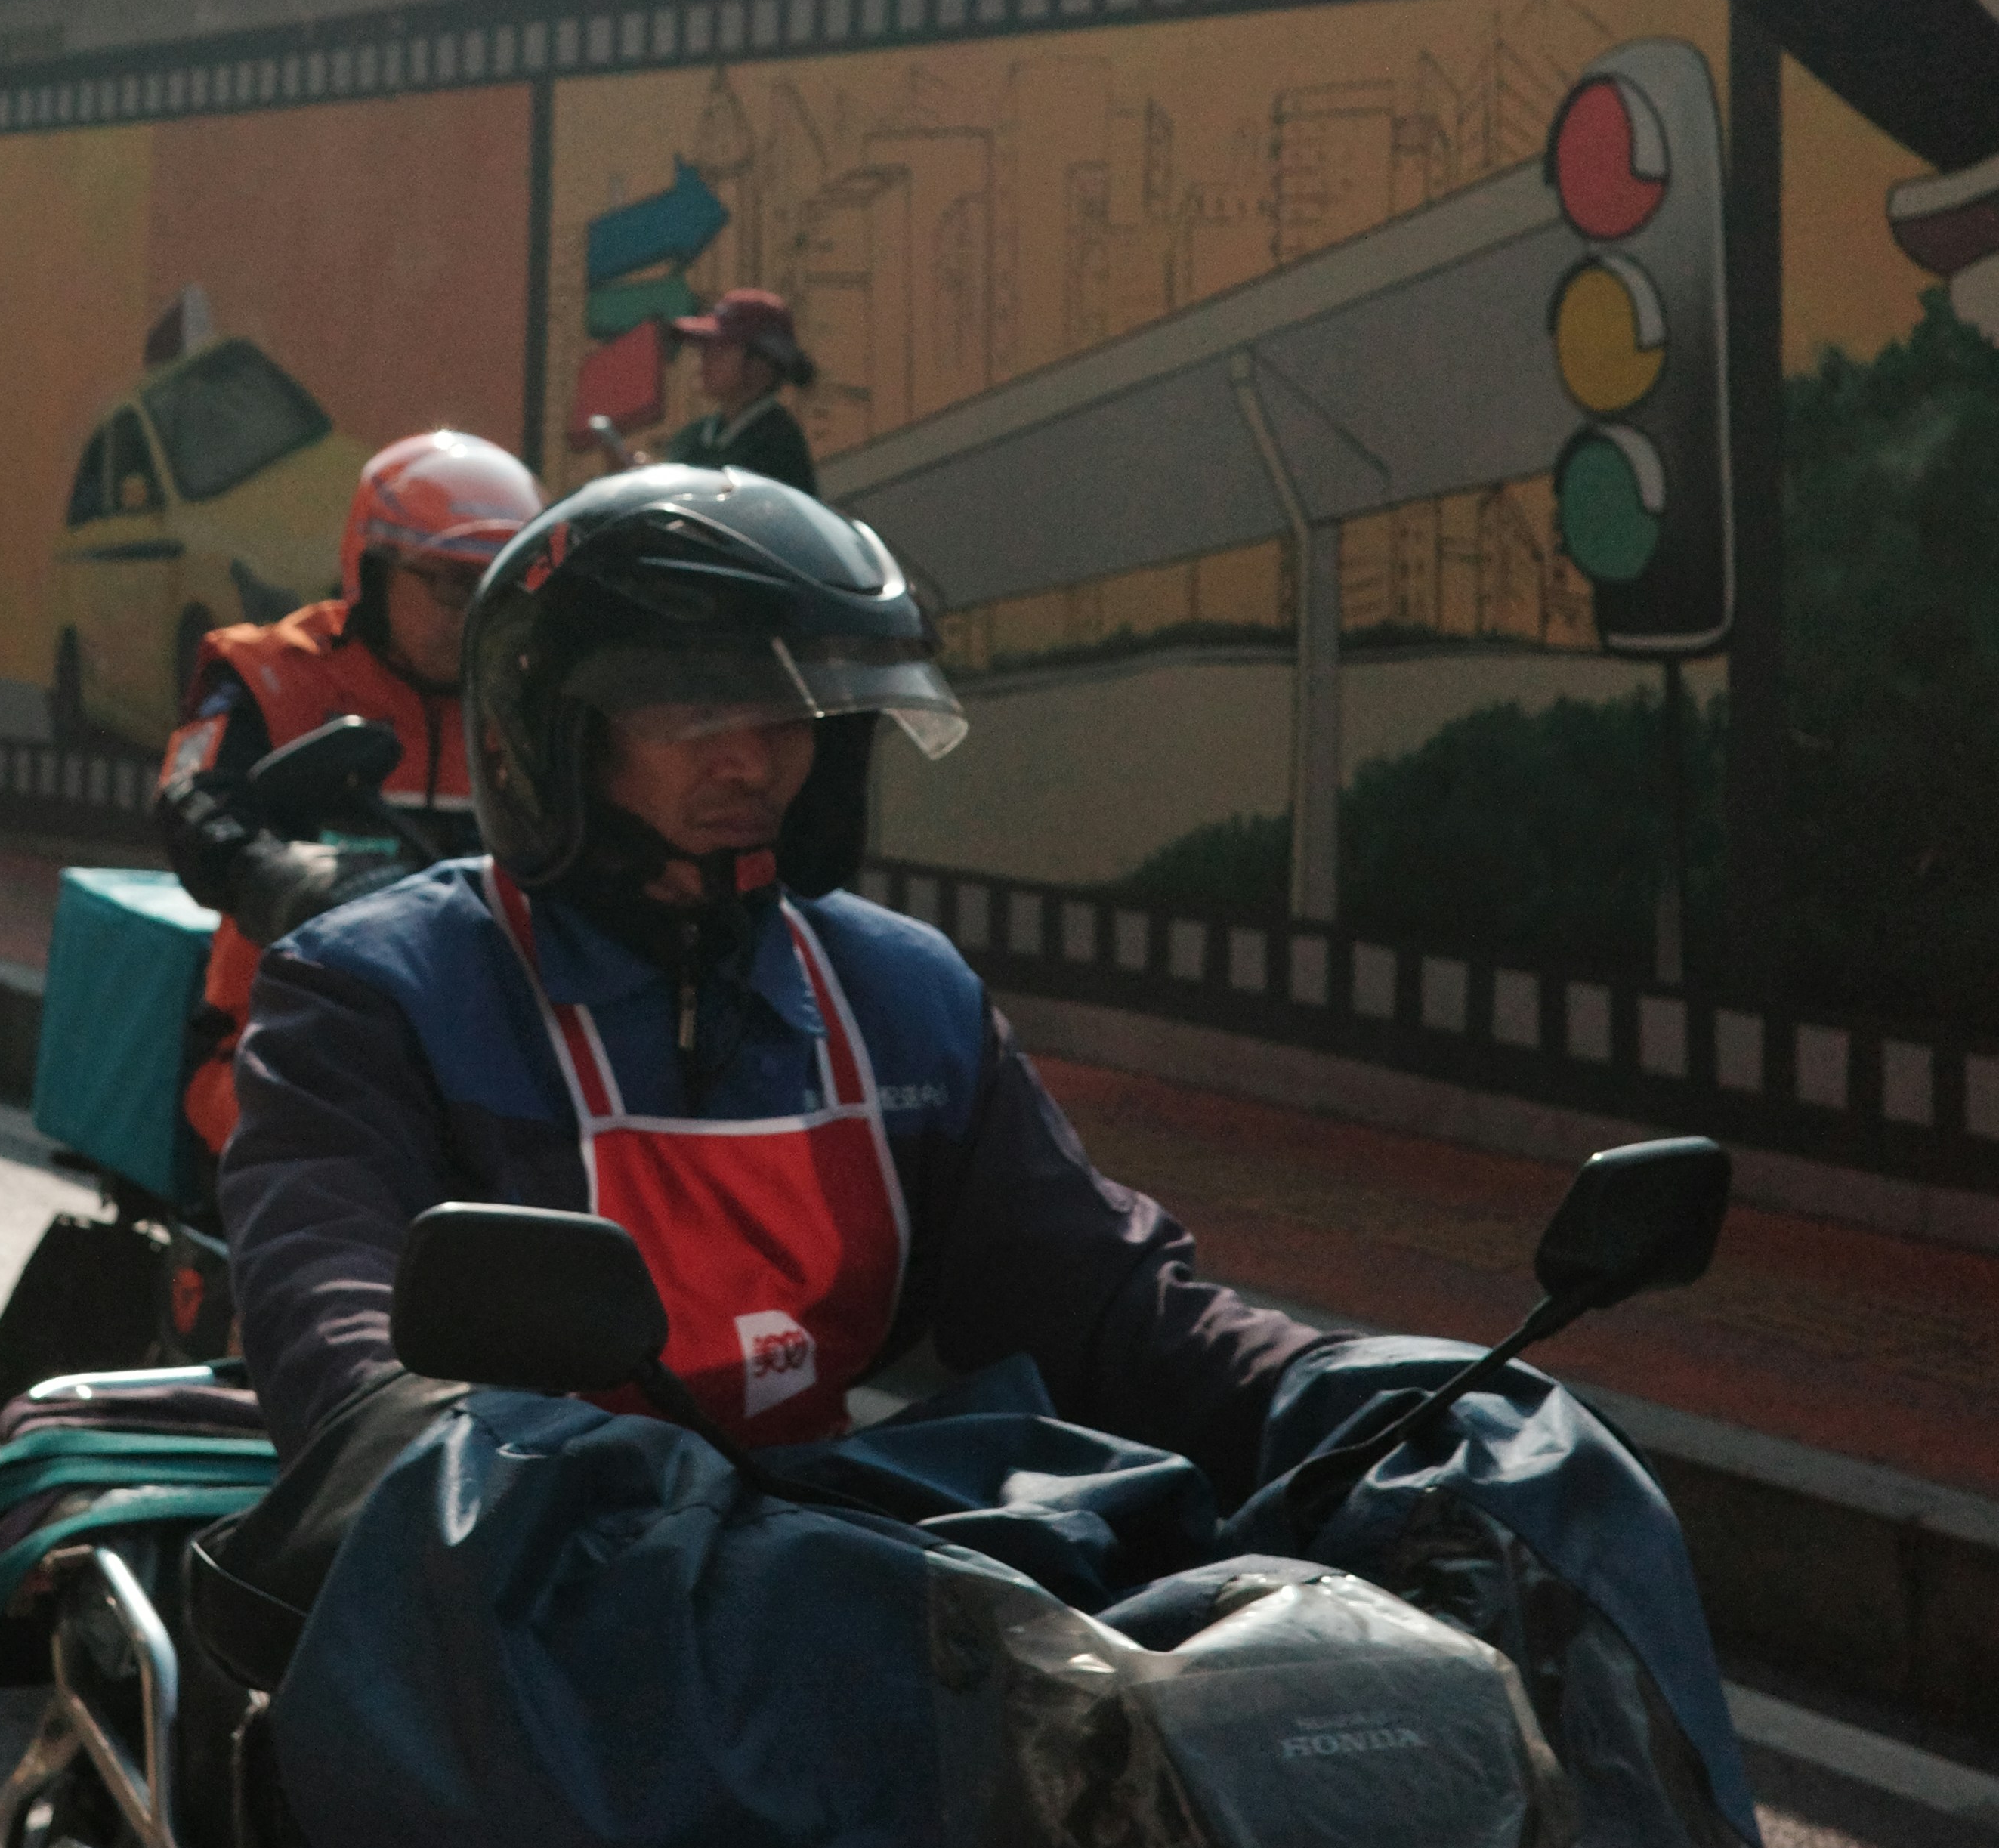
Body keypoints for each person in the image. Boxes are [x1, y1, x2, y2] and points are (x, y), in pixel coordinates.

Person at [216, 465, 1312, 1478]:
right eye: (692, 711)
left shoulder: (903, 996)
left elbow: (1106, 1308)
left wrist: (1338, 1391)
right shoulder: (380, 995)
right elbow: (336, 1320)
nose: (752, 759)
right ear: (553, 733)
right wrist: (433, 1464)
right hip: (503, 1587)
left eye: (790, 714)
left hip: (807, 1579)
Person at [162, 428, 545, 1159]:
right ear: (371, 569)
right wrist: (277, 875)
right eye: (449, 583)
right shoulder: (270, 673)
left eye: (499, 588)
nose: (474, 613)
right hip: (291, 1033)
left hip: (495, 1043)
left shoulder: (536, 702)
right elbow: (193, 803)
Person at [590, 286, 818, 496]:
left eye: (720, 347)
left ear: (762, 365)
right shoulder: (692, 438)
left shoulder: (780, 447)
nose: (703, 358)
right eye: (703, 347)